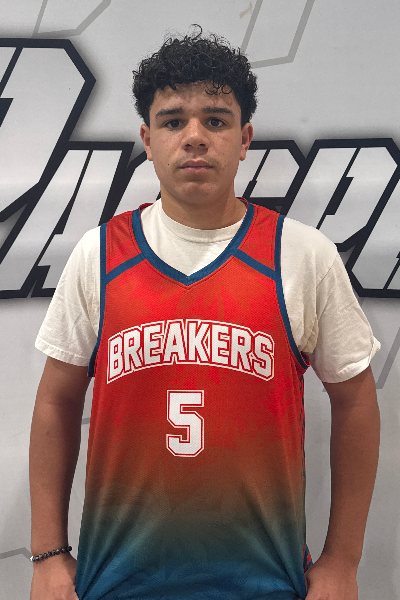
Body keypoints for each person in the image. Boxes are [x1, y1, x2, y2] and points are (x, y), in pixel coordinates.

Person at [29, 27, 381, 600]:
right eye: (173, 121)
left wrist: (343, 560)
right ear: (148, 140)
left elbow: (357, 399)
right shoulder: (99, 255)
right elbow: (55, 401)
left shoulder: (302, 255)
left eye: (215, 120)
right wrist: (47, 555)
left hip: (267, 584)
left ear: (244, 139)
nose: (194, 137)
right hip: (117, 583)